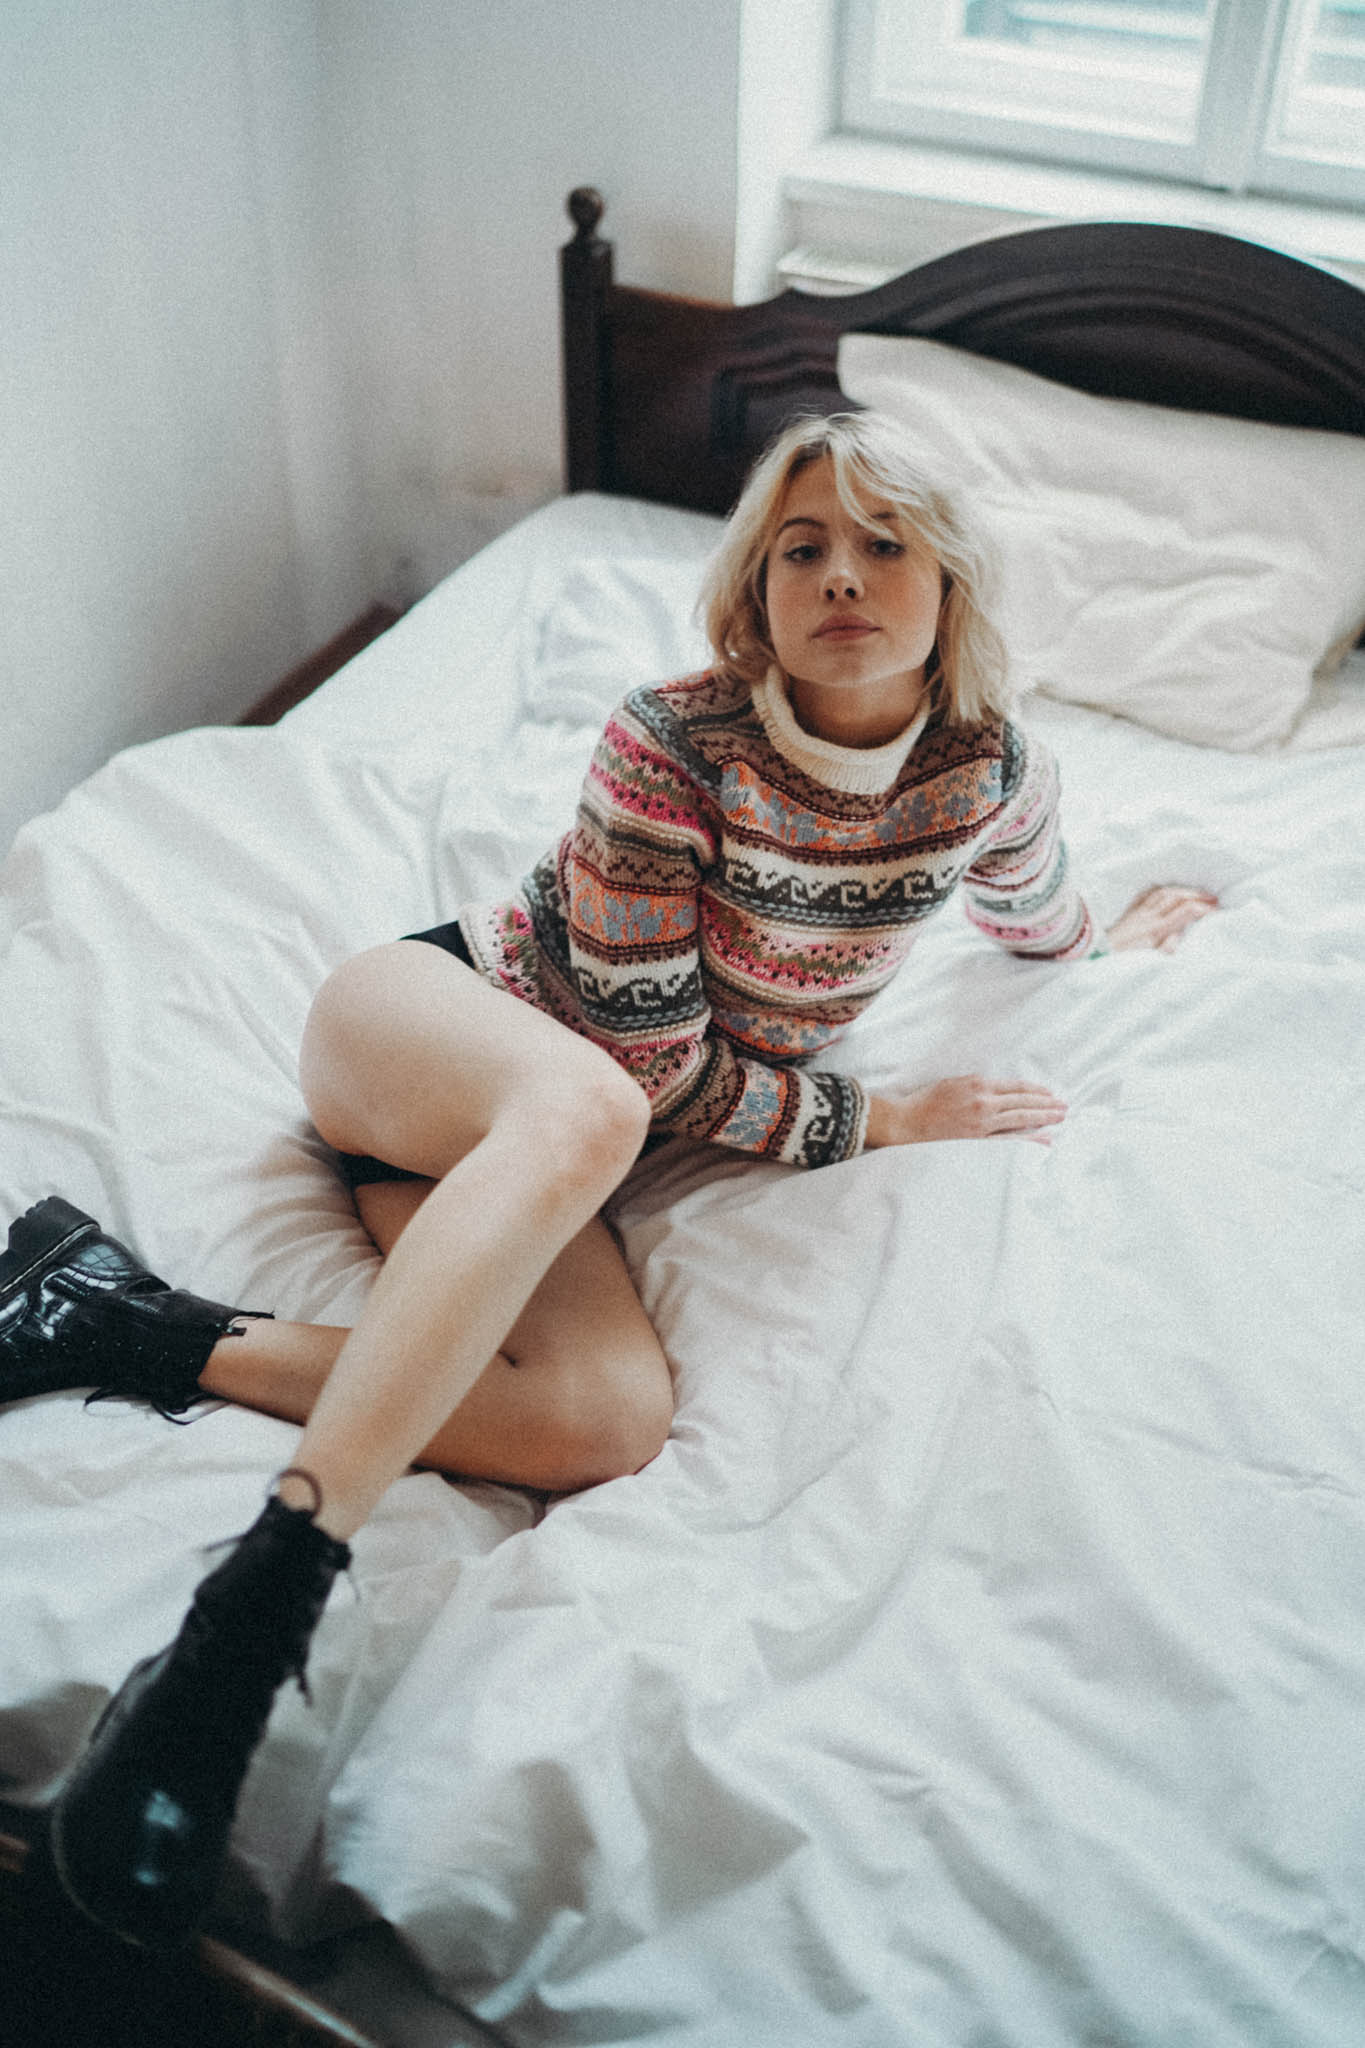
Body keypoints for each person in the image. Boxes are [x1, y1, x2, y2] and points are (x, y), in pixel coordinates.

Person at [0, 412, 1216, 1950]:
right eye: (800, 548)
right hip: (425, 1036)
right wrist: (881, 1117)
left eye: (883, 543)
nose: (842, 575)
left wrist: (1117, 942)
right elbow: (651, 1071)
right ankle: (241, 1636)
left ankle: (111, 1318)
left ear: (950, 582)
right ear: (754, 592)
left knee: (600, 1421)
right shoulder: (674, 742)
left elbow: (1033, 913)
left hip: (549, 1148)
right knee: (588, 1101)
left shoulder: (988, 771)